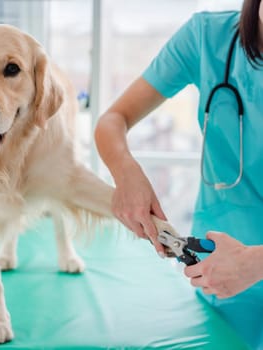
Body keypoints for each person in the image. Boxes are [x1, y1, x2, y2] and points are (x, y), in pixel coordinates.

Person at [94, 0, 263, 348]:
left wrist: (256, 262)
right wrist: (126, 173)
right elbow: (113, 119)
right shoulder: (208, 38)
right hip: (220, 272)